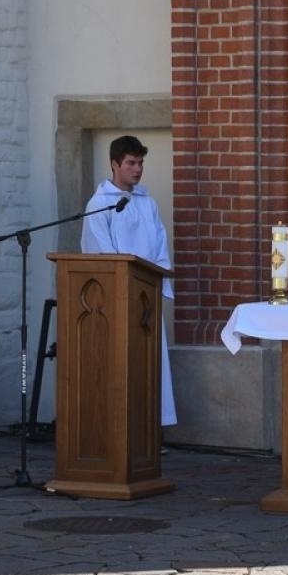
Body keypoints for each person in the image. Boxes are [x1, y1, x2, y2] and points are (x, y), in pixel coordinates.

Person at [82, 135, 178, 426]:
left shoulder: (146, 203)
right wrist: (124, 285)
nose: (137, 169)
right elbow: (102, 252)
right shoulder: (100, 205)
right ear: (114, 164)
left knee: (148, 365)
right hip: (118, 300)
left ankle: (148, 430)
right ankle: (121, 429)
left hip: (146, 296)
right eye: (131, 163)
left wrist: (156, 279)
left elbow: (160, 245)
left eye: (141, 163)